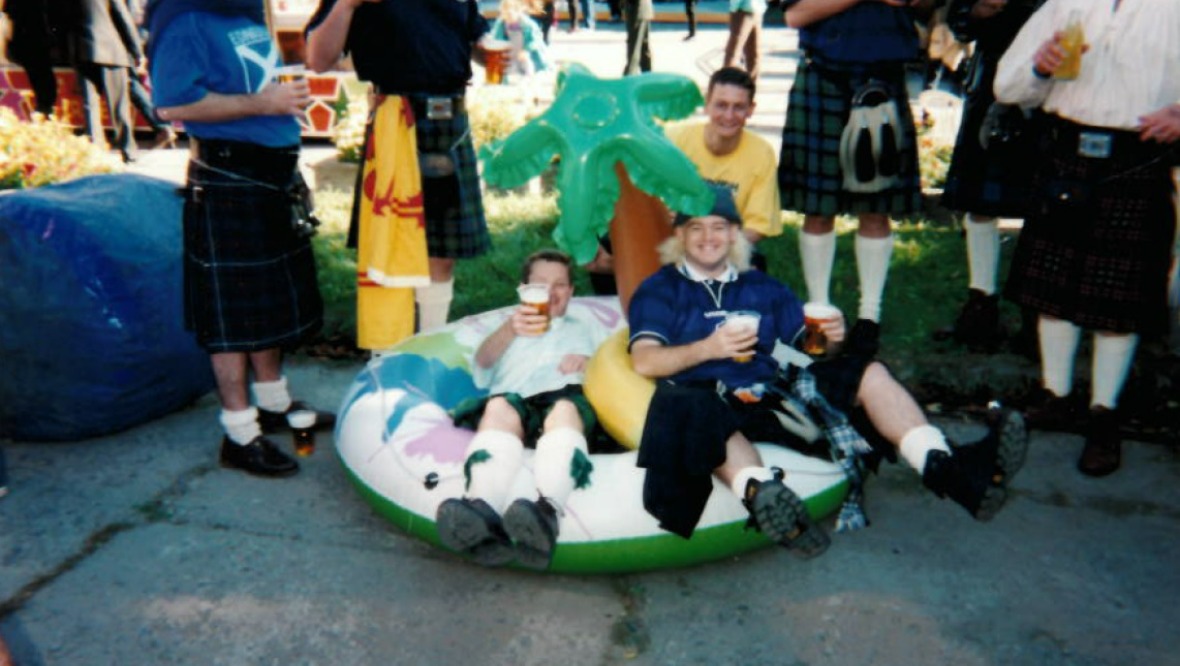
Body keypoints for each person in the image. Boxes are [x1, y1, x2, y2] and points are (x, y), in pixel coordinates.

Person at [627, 187, 1029, 552]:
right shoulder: (661, 289)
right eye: (695, 227)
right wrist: (708, 347)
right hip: (709, 402)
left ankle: (943, 467)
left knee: (866, 371)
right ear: (678, 236)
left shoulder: (763, 287)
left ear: (734, 234)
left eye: (718, 226)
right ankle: (764, 497)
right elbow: (644, 358)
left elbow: (797, 353)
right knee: (695, 404)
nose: (708, 237)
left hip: (776, 394)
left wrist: (833, 340)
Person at [147, 0, 336, 478]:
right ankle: (239, 433)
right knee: (231, 313)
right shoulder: (186, 17)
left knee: (263, 304)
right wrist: (263, 104)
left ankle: (273, 405)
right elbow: (170, 103)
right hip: (229, 175)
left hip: (269, 176)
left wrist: (276, 106)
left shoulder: (244, 13)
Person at [993, 0, 1180, 477]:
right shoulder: (1065, 3)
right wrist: (1039, 66)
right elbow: (1007, 85)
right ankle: (1055, 396)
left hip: (1139, 159)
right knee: (1054, 287)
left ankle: (1104, 414)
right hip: (1066, 153)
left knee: (1116, 302)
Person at [306, 0, 492, 353]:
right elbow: (317, 58)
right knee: (391, 242)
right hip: (397, 121)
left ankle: (432, 349)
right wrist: (346, 7)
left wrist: (492, 51)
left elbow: (473, 38)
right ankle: (387, 352)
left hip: (449, 124)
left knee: (441, 251)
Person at [778, 0, 936, 356]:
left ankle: (869, 321)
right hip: (824, 75)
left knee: (876, 209)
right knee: (818, 209)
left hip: (883, 77)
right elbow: (795, 14)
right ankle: (817, 316)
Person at [435, 250, 609, 570]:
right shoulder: (508, 328)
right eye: (540, 284)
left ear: (571, 291)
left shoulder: (586, 328)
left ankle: (546, 511)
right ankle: (481, 508)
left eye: (560, 285)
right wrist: (509, 330)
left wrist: (591, 363)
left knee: (565, 409)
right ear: (524, 290)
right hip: (516, 399)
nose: (551, 292)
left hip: (563, 396)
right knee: (498, 407)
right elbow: (482, 364)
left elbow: (614, 368)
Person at [586, 67, 782, 293]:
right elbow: (631, 178)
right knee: (607, 248)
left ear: (751, 110)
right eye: (721, 105)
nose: (728, 116)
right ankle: (622, 308)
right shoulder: (674, 138)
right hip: (665, 235)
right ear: (707, 104)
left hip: (721, 243)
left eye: (738, 107)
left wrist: (708, 246)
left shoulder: (761, 153)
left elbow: (758, 227)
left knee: (755, 266)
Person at [934, 0, 1042, 352]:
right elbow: (959, 19)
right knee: (979, 203)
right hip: (993, 78)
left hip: (1057, 87)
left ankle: (1037, 311)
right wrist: (978, 10)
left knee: (1045, 205)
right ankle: (981, 305)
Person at [73, 0, 143, 163]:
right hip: (111, 51)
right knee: (119, 104)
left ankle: (95, 150)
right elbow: (122, 17)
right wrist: (137, 51)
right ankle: (127, 150)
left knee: (90, 104)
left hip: (81, 50)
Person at [4, 0, 57, 116]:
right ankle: (45, 105)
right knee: (38, 71)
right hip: (31, 34)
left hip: (34, 33)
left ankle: (46, 105)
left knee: (40, 71)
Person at [490, 0, 552, 80]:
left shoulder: (528, 25)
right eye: (505, 12)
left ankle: (530, 77)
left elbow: (535, 41)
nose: (508, 16)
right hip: (509, 50)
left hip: (525, 51)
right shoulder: (501, 24)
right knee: (504, 64)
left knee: (527, 62)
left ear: (519, 11)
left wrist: (526, 49)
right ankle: (505, 79)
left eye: (511, 12)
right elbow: (496, 38)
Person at [724, 0, 766, 80]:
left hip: (757, 9)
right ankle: (725, 85)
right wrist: (734, 8)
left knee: (754, 54)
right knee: (734, 51)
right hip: (742, 9)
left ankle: (752, 87)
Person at [621, 0, 652, 76]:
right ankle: (647, 75)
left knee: (635, 45)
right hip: (643, 10)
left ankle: (629, 76)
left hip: (636, 9)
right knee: (643, 47)